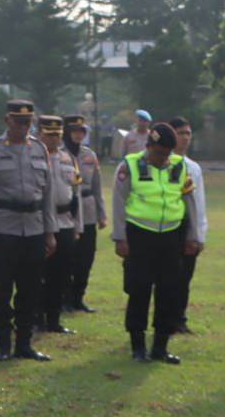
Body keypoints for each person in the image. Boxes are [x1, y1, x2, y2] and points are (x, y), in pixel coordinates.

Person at [111, 123, 201, 364]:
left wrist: (193, 236)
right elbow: (119, 203)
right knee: (139, 290)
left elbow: (188, 201)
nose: (163, 159)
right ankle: (138, 346)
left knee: (169, 291)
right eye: (159, 153)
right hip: (140, 236)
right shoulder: (130, 166)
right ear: (148, 146)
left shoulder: (179, 166)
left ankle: (161, 346)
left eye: (167, 154)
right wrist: (120, 237)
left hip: (171, 236)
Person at [0, 100, 56, 362]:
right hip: (3, 229)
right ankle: (2, 345)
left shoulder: (40, 149)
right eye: (19, 122)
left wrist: (50, 231)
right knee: (1, 291)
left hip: (32, 228)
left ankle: (24, 344)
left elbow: (48, 194)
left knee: (30, 290)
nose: (24, 127)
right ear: (7, 121)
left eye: (28, 122)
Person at [37, 115, 82, 336]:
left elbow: (77, 195)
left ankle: (54, 319)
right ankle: (36, 319)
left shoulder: (68, 159)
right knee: (38, 275)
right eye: (49, 134)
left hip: (65, 222)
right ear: (40, 134)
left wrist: (78, 226)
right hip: (39, 223)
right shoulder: (34, 157)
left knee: (61, 275)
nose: (54, 139)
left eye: (57, 134)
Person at [168, 117, 207, 334]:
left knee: (185, 277)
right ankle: (166, 319)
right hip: (169, 228)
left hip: (188, 230)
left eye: (188, 134)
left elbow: (199, 204)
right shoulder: (162, 164)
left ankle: (179, 318)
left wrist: (199, 235)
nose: (185, 138)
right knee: (168, 278)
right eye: (181, 133)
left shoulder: (193, 168)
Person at [63, 115, 106, 313]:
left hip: (88, 210)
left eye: (82, 131)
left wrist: (102, 214)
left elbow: (97, 186)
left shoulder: (89, 155)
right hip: (67, 211)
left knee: (86, 257)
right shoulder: (59, 154)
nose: (78, 135)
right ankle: (64, 298)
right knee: (68, 256)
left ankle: (78, 297)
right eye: (74, 131)